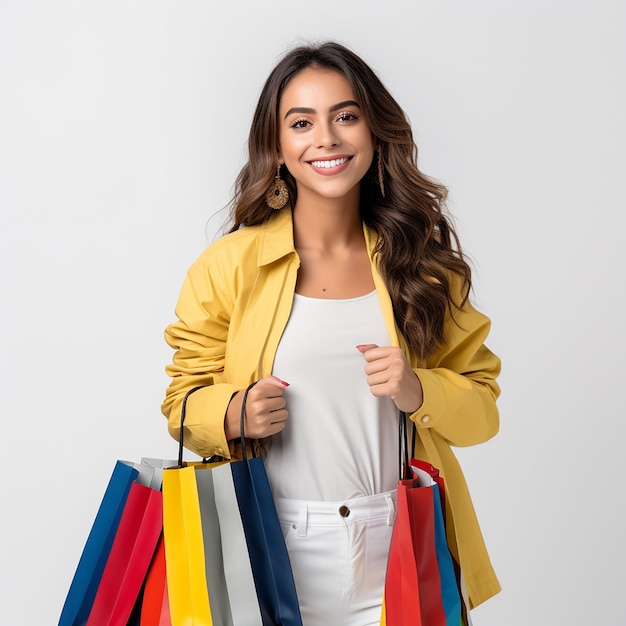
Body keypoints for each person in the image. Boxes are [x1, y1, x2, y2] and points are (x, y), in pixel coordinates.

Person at [161, 40, 501, 625]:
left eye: (345, 116)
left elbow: (483, 412)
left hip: (401, 547)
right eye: (302, 122)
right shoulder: (228, 266)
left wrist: (418, 389)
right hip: (267, 550)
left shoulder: (423, 267)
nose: (327, 138)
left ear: (374, 131)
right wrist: (232, 413)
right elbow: (180, 403)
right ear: (278, 146)